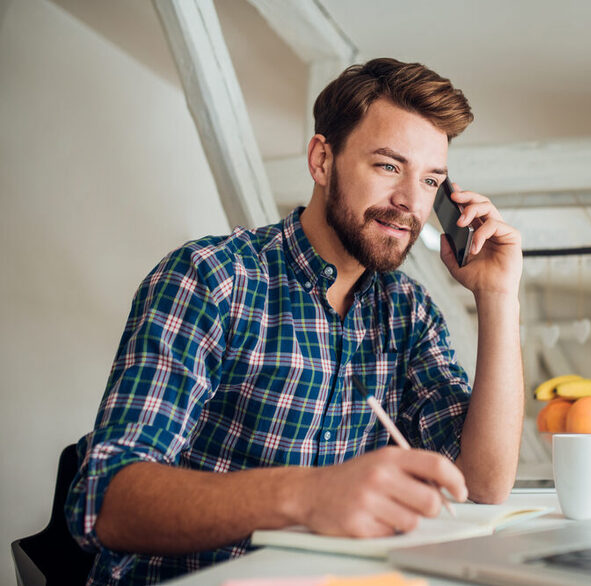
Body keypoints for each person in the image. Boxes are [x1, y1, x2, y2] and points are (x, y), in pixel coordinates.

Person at [64, 58, 524, 585]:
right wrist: (309, 494)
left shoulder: (410, 314)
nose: (408, 202)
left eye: (431, 180)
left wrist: (498, 295)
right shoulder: (213, 278)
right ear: (322, 160)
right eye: (388, 166)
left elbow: (483, 485)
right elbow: (105, 499)